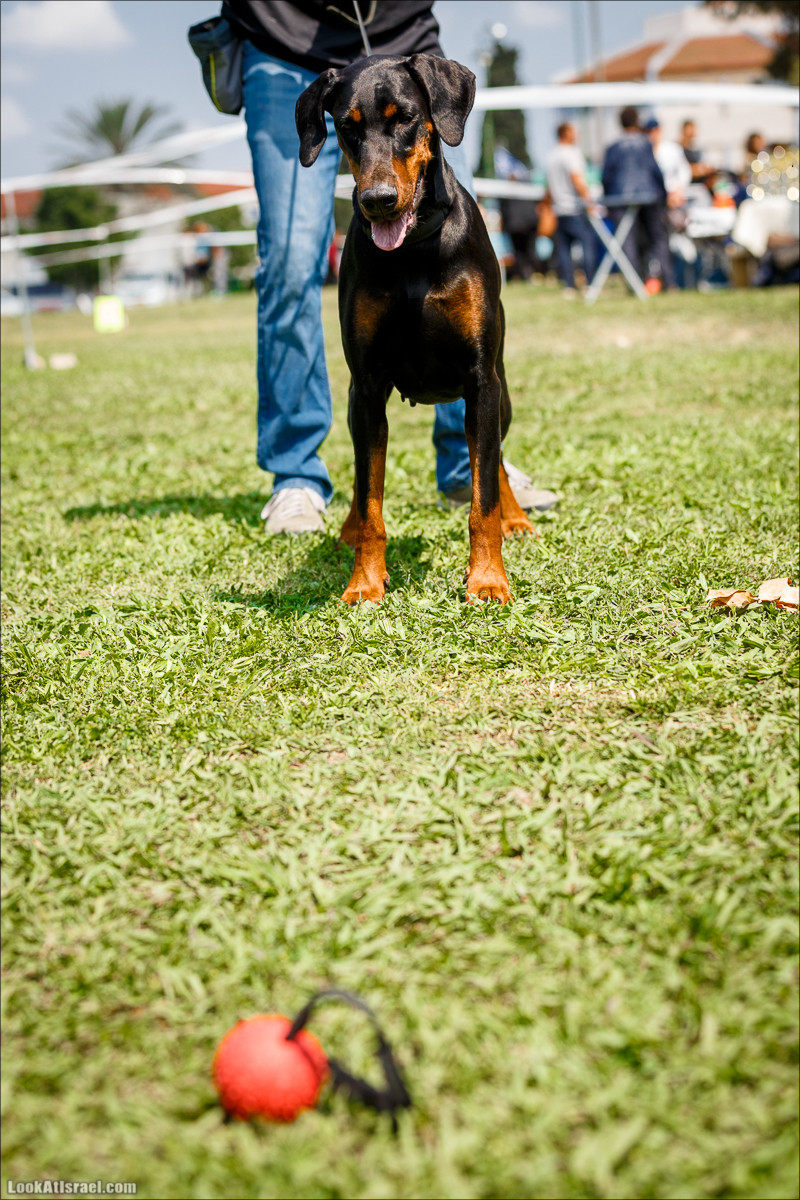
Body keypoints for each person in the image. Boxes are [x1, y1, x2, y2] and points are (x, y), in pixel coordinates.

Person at [218, 0, 557, 533]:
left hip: (405, 38)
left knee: (458, 247)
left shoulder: (429, 86)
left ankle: (470, 467)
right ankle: (296, 478)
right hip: (282, 45)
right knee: (286, 262)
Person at [601, 106, 669, 289]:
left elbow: (606, 176)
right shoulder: (645, 143)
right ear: (637, 121)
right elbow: (656, 171)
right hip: (649, 196)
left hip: (621, 198)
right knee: (658, 239)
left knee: (627, 241)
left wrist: (607, 200)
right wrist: (664, 196)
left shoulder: (613, 147)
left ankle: (635, 284)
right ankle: (668, 282)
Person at [544, 121, 598, 296]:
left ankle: (569, 285)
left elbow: (549, 187)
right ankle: (591, 282)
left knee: (564, 250)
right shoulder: (572, 154)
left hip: (559, 209)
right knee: (587, 244)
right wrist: (590, 202)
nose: (577, 134)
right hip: (574, 208)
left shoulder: (551, 156)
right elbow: (577, 179)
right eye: (574, 131)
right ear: (566, 133)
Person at [643, 116, 692, 289]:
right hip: (654, 204)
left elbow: (684, 173)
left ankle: (674, 280)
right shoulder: (644, 151)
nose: (652, 134)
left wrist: (678, 191)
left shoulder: (671, 150)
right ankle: (662, 279)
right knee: (657, 242)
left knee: (673, 243)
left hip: (674, 202)